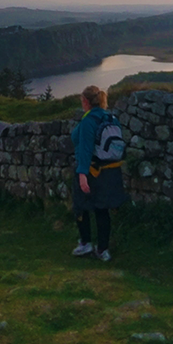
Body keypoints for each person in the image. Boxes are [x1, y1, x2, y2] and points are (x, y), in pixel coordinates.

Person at [70, 85, 128, 262]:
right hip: (110, 172)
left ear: (86, 102)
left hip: (91, 171)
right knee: (102, 210)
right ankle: (102, 250)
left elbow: (86, 150)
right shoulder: (111, 117)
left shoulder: (88, 120)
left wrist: (82, 175)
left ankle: (86, 243)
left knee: (81, 206)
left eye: (82, 101)